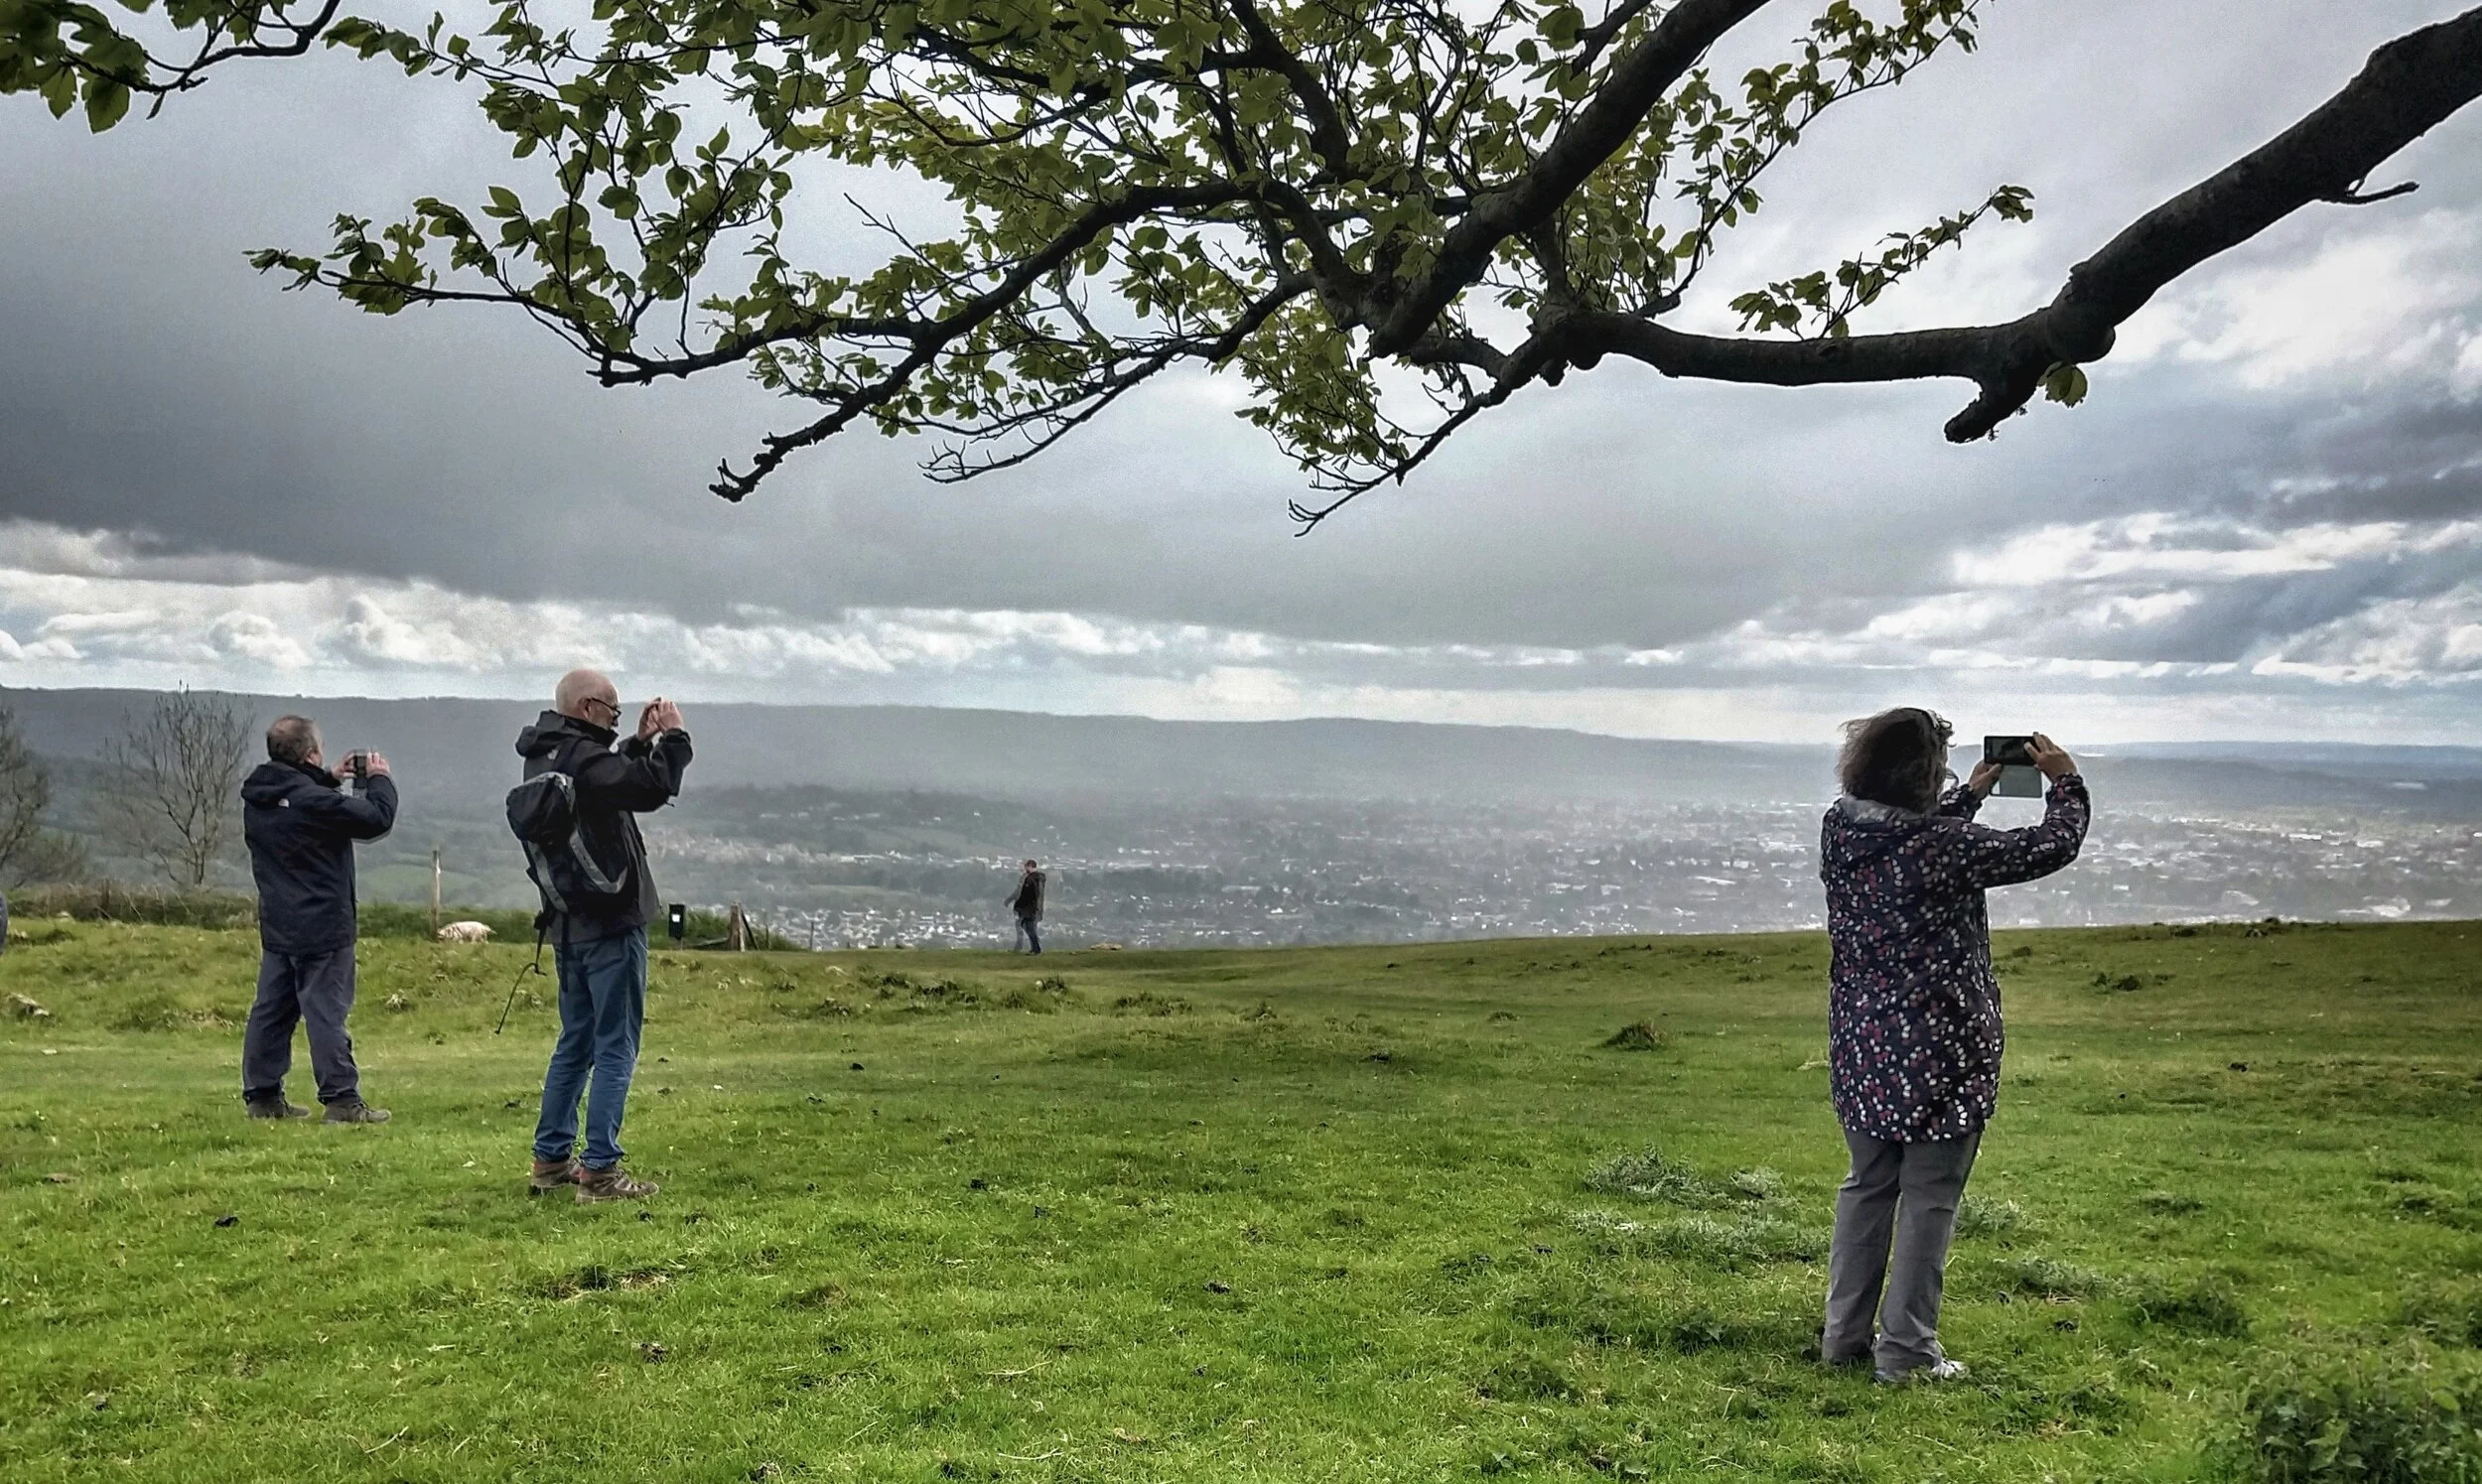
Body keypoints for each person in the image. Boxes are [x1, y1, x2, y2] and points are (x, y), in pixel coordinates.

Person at [1817, 709, 2088, 1384]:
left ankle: (1843, 1337)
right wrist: (2066, 782)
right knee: (1930, 1196)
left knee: (1868, 1186)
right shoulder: (1941, 848)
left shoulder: (1841, 830)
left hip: (1863, 1044)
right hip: (1941, 1049)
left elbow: (1909, 844)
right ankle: (1906, 1352)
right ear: (1921, 774)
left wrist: (1969, 795)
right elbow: (2049, 846)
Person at [518, 670, 691, 1203]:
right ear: (588, 707)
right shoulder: (583, 759)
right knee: (616, 1046)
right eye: (613, 710)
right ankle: (600, 1171)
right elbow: (649, 788)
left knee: (575, 1043)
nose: (616, 719)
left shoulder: (545, 756)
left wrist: (636, 743)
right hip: (613, 924)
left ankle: (550, 1161)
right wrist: (674, 738)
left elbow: (608, 781)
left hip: (568, 925)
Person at [238, 716, 398, 1123]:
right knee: (326, 1012)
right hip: (324, 924)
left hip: (279, 922)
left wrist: (326, 778)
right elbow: (375, 819)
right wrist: (379, 780)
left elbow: (298, 803)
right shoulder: (313, 803)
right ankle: (342, 1100)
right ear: (310, 754)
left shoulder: (259, 795)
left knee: (271, 1011)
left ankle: (263, 1096)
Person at [1008, 859, 1045, 953]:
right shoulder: (1037, 879)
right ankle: (1034, 947)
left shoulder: (1030, 879)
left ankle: (1035, 948)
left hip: (1029, 908)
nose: (1025, 868)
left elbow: (1025, 894)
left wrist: (1018, 905)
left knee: (1029, 927)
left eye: (1026, 866)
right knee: (1029, 927)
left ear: (1030, 866)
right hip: (1032, 908)